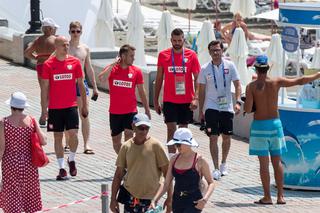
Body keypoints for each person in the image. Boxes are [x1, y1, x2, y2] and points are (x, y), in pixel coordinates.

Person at [244, 55, 320, 205]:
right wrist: (318, 74)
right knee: (277, 162)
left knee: (263, 164)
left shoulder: (251, 86)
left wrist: (247, 102)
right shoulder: (276, 82)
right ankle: (280, 196)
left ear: (256, 69)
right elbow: (299, 81)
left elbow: (247, 109)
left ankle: (267, 197)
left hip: (260, 126)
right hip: (275, 125)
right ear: (268, 68)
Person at [42, 36, 88, 180]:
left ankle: (72, 159)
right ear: (56, 47)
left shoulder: (74, 62)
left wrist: (84, 105)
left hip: (71, 106)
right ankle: (62, 168)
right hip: (55, 108)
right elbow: (44, 89)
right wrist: (44, 110)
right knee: (58, 137)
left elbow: (81, 84)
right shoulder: (48, 65)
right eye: (63, 45)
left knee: (73, 134)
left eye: (67, 45)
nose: (66, 47)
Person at [110, 113, 171, 213]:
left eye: (147, 128)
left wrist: (169, 199)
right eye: (141, 128)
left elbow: (167, 174)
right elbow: (118, 175)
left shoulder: (156, 146)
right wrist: (113, 199)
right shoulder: (126, 146)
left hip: (151, 199)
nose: (144, 131)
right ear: (133, 126)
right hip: (130, 197)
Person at [198, 40, 241, 180]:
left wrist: (238, 102)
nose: (216, 53)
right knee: (213, 137)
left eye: (218, 50)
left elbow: (238, 84)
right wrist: (201, 110)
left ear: (222, 51)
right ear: (209, 52)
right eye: (213, 50)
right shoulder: (205, 68)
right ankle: (216, 168)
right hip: (211, 106)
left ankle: (224, 163)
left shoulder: (230, 65)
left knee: (227, 137)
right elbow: (202, 91)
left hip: (227, 106)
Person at [154, 28, 201, 156]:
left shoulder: (192, 55)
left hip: (186, 100)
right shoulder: (163, 55)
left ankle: (182, 157)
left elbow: (198, 79)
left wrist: (196, 98)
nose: (177, 43)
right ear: (171, 40)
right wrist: (155, 100)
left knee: (183, 131)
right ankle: (171, 159)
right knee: (171, 129)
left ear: (183, 40)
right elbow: (158, 78)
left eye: (179, 40)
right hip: (169, 99)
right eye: (174, 40)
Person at [98, 44, 151, 154]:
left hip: (130, 111)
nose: (133, 58)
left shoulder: (136, 71)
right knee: (116, 143)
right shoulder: (112, 69)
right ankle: (124, 161)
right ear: (122, 56)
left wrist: (147, 109)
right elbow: (102, 79)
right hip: (115, 112)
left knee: (129, 138)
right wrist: (113, 64)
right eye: (131, 56)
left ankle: (128, 165)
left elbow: (142, 91)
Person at [0, 92, 46, 212]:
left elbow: (2, 147)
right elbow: (43, 141)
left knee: (12, 193)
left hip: (10, 163)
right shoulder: (31, 120)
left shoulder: (4, 122)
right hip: (29, 163)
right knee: (29, 192)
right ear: (23, 107)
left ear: (11, 106)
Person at [150, 128, 215, 213]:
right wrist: (155, 199)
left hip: (194, 202)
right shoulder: (174, 159)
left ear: (188, 144)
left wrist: (204, 200)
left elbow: (211, 182)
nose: (177, 147)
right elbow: (166, 183)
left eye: (179, 144)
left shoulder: (200, 160)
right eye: (176, 144)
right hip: (177, 200)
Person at [66, 21, 99, 154]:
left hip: (81, 84)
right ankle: (67, 141)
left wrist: (95, 87)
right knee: (67, 114)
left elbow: (89, 68)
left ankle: (86, 144)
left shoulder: (85, 48)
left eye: (77, 31)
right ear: (69, 32)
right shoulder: (65, 47)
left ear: (81, 32)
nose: (75, 34)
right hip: (67, 84)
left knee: (84, 114)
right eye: (73, 31)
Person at [24, 17, 59, 127]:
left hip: (41, 66)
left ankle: (43, 114)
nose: (55, 30)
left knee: (44, 91)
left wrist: (37, 58)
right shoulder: (56, 40)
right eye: (54, 28)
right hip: (53, 67)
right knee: (54, 91)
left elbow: (27, 53)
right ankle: (52, 114)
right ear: (49, 28)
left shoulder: (38, 40)